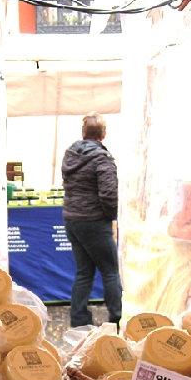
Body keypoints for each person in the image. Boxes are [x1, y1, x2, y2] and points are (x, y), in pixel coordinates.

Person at [60, 112, 123, 329]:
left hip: (72, 220)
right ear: (104, 134)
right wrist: (110, 216)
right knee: (110, 271)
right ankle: (116, 319)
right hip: (94, 222)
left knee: (84, 272)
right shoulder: (102, 159)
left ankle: (78, 319)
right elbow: (109, 194)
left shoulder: (70, 156)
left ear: (83, 133)